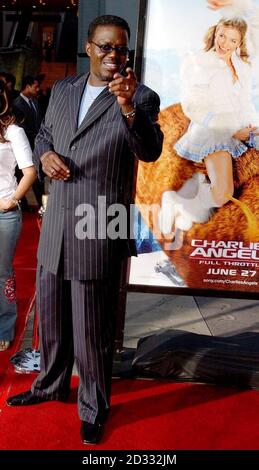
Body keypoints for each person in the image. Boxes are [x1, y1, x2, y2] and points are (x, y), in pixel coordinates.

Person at [6, 15, 163, 445]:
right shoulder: (64, 88)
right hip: (56, 223)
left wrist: (128, 108)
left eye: (122, 49)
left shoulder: (142, 97)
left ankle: (94, 408)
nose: (115, 56)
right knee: (52, 321)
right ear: (90, 48)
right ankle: (50, 385)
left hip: (98, 224)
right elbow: (43, 136)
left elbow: (149, 151)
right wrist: (46, 155)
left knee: (93, 329)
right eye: (107, 47)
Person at [159, 0, 259, 236]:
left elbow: (244, 101)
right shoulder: (201, 63)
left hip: (240, 128)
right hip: (213, 132)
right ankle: (178, 203)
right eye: (222, 36)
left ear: (240, 43)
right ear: (216, 32)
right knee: (223, 193)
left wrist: (252, 125)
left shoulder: (242, 65)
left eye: (232, 40)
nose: (225, 43)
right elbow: (193, 106)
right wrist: (231, 130)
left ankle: (191, 207)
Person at [0, 80, 36, 351]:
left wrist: (11, 201)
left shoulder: (13, 131)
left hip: (4, 214)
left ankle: (4, 325)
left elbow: (30, 172)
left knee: (2, 273)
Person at [13, 76, 44, 208]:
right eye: (36, 86)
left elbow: (40, 123)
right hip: (25, 148)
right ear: (27, 86)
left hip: (37, 148)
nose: (38, 89)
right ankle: (24, 205)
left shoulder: (35, 102)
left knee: (38, 179)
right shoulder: (17, 104)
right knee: (23, 177)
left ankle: (41, 205)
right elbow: (23, 129)